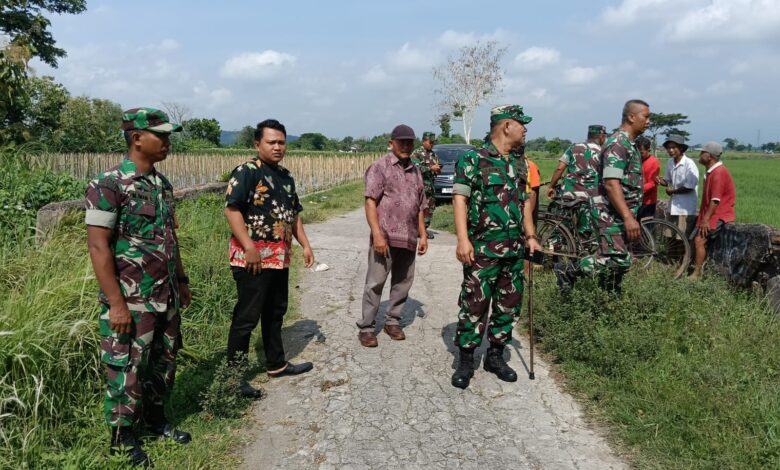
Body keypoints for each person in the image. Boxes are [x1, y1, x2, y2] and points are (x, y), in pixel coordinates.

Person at [85, 107, 192, 466]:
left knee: (164, 360)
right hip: (131, 298)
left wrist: (181, 280)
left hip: (165, 294)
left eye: (168, 136)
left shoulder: (162, 186)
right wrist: (115, 303)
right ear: (136, 138)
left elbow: (170, 239)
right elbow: (98, 247)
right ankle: (123, 438)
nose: (167, 142)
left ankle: (156, 420)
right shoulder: (108, 184)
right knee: (126, 367)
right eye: (160, 135)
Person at [450, 105, 542, 389]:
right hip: (482, 250)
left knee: (508, 305)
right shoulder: (473, 159)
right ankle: (466, 360)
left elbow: (524, 205)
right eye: (521, 124)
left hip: (513, 251)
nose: (525, 129)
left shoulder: (520, 164)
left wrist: (531, 236)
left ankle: (495, 356)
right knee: (474, 304)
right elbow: (460, 199)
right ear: (506, 126)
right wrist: (463, 239)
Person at [224, 119, 315, 398]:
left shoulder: (285, 176)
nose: (277, 147)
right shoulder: (247, 172)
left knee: (276, 311)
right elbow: (232, 210)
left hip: (279, 258)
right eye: (271, 142)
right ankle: (233, 378)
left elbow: (294, 214)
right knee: (247, 317)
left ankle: (276, 364)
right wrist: (249, 246)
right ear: (257, 144)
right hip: (252, 259)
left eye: (281, 142)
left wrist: (306, 245)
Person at [357, 124, 428, 347]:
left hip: (409, 237)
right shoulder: (379, 167)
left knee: (403, 282)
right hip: (385, 237)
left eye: (410, 142)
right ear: (391, 144)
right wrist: (377, 234)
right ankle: (367, 327)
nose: (406, 146)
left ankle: (392, 321)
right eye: (402, 142)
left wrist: (423, 235)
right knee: (375, 282)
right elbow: (370, 202)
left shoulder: (416, 171)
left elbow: (420, 206)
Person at [580, 100, 651, 295]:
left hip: (621, 213)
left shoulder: (629, 144)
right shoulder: (618, 144)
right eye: (646, 117)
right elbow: (611, 184)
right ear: (631, 117)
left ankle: (609, 298)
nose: (648, 122)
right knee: (618, 260)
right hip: (610, 213)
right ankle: (570, 271)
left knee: (616, 268)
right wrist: (628, 217)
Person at [547, 124, 607, 245]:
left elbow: (560, 168)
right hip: (589, 197)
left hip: (568, 194)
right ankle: (581, 249)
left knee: (561, 224)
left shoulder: (573, 147)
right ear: (601, 136)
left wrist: (551, 186)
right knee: (584, 230)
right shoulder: (603, 152)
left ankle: (553, 247)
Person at [691, 141, 736, 280]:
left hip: (718, 214)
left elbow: (715, 200)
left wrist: (706, 220)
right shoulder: (712, 171)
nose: (699, 155)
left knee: (699, 241)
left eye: (702, 152)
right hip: (710, 214)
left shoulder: (718, 173)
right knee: (696, 240)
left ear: (709, 156)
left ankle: (697, 274)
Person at [657, 134, 699, 238]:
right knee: (670, 236)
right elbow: (668, 181)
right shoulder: (670, 162)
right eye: (668, 148)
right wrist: (660, 180)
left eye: (673, 147)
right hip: (673, 206)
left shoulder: (689, 164)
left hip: (685, 208)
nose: (670, 150)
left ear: (681, 148)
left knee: (682, 238)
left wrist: (673, 191)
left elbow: (690, 187)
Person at [410, 131, 441, 239]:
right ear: (424, 141)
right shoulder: (416, 153)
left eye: (433, 142)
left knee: (430, 208)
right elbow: (415, 168)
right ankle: (416, 229)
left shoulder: (433, 154)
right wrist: (430, 168)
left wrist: (437, 170)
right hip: (419, 187)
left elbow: (436, 167)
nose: (432, 144)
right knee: (419, 209)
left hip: (430, 187)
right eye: (430, 142)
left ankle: (423, 229)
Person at [637, 135, 660, 219]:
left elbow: (652, 183)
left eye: (641, 152)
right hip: (635, 201)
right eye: (637, 152)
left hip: (648, 201)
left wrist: (637, 190)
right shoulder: (636, 161)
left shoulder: (654, 162)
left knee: (646, 224)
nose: (639, 155)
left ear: (648, 150)